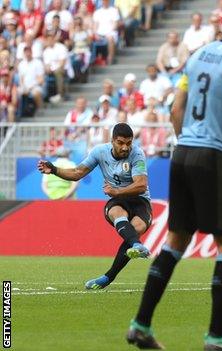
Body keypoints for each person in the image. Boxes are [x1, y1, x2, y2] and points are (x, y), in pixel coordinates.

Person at [126, 0, 222, 349]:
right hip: (212, 157)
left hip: (183, 152)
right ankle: (217, 337)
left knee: (176, 239)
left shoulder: (199, 55)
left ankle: (141, 324)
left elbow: (176, 108)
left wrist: (187, 141)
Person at [36, 123, 153, 290]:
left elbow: (141, 185)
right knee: (117, 213)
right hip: (118, 201)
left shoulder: (137, 153)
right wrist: (54, 169)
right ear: (112, 141)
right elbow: (77, 173)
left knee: (137, 227)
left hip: (139, 200)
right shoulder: (100, 152)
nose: (125, 147)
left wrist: (117, 191)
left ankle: (109, 276)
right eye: (120, 143)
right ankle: (136, 245)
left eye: (128, 143)